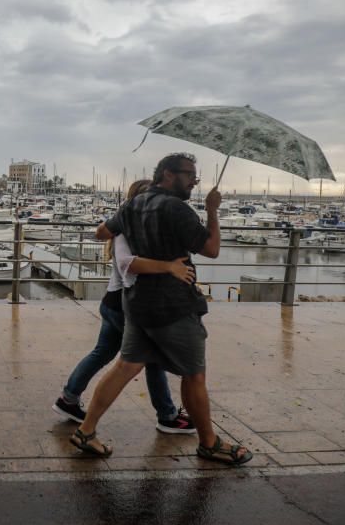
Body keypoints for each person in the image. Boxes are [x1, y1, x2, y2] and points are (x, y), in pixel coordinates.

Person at [70, 153, 252, 466]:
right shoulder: (176, 208)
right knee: (194, 375)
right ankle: (209, 443)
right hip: (173, 306)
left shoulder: (133, 204)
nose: (194, 180)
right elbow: (211, 249)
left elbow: (104, 231)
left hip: (138, 304)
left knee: (126, 366)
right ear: (168, 174)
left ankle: (86, 431)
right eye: (189, 174)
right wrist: (212, 211)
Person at [53, 180, 197, 435]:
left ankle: (69, 398)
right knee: (150, 361)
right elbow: (126, 264)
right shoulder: (125, 231)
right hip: (123, 304)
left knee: (103, 353)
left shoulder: (133, 227)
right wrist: (168, 267)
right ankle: (167, 415)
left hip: (114, 302)